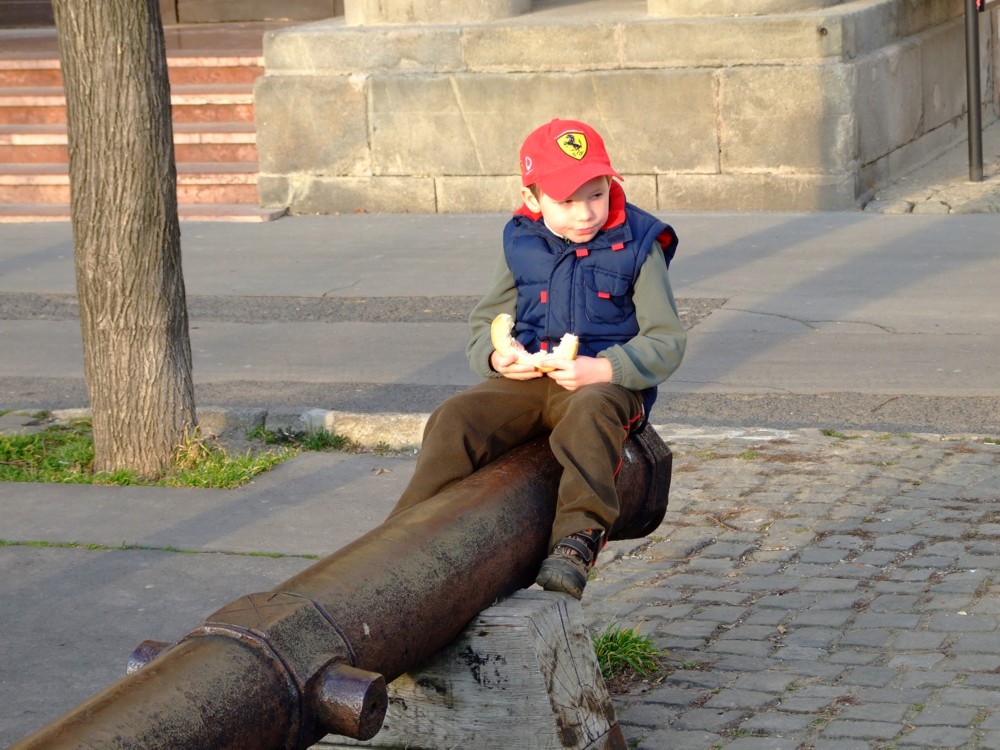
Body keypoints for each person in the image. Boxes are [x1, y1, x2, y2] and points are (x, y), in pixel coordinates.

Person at [387, 118, 686, 599]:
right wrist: (496, 355)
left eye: (595, 193)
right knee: (455, 418)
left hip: (602, 384)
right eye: (566, 201)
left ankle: (576, 539)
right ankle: (404, 535)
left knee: (590, 416)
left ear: (611, 185)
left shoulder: (639, 244)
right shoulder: (520, 241)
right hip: (530, 378)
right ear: (533, 199)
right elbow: (487, 318)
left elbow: (666, 339)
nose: (585, 212)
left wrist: (605, 369)